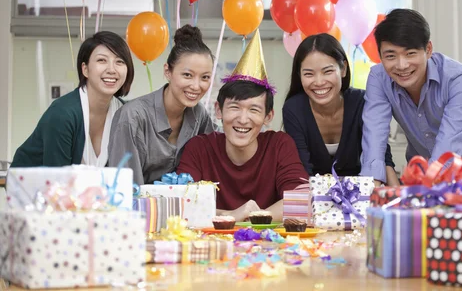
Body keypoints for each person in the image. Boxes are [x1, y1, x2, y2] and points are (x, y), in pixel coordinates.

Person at [177, 30, 307, 222]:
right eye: (235, 107)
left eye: (254, 110)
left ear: (268, 116)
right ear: (219, 111)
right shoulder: (199, 148)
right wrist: (231, 215)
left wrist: (257, 216)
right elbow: (182, 205)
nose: (243, 119)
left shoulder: (279, 145)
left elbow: (302, 201)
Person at [361, 9, 462, 183]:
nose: (401, 65)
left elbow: (449, 144)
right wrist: (372, 184)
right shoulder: (378, 78)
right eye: (390, 56)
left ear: (428, 50)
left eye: (410, 53)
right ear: (380, 56)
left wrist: (426, 190)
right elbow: (374, 133)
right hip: (424, 175)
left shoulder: (458, 78)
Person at [283, 34, 399, 185]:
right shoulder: (294, 109)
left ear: (343, 69)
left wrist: (399, 198)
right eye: (309, 74)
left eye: (327, 71)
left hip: (361, 195)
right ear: (300, 75)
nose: (319, 82)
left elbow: (382, 155)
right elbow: (301, 171)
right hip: (314, 197)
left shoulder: (362, 102)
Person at [108, 25, 216, 185]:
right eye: (187, 75)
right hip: (139, 208)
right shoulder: (132, 116)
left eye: (205, 77)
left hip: (183, 206)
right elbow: (125, 187)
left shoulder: (199, 114)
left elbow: (210, 165)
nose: (196, 86)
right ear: (168, 71)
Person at [11, 31, 135, 168]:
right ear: (85, 69)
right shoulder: (62, 113)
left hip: (87, 188)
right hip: (32, 185)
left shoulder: (125, 114)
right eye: (102, 60)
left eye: (119, 61)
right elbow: (57, 178)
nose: (112, 69)